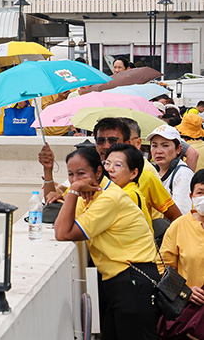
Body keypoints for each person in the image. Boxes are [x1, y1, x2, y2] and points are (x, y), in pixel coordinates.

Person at [54, 145, 159, 340]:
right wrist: (72, 192)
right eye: (70, 174)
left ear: (98, 171)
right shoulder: (92, 196)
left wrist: (73, 189)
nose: (75, 179)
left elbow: (63, 233)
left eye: (81, 173)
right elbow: (61, 224)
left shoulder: (109, 199)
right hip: (119, 282)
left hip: (133, 280)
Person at [40, 117, 182, 224]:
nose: (105, 146)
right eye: (100, 141)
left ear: (127, 144)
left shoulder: (145, 175)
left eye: (113, 141)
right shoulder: (94, 174)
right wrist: (48, 171)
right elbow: (53, 208)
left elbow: (176, 216)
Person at [160, 169, 204, 312]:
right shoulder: (179, 226)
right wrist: (184, 290)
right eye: (200, 192)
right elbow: (163, 266)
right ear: (191, 196)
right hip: (190, 310)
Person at [103, 143, 153, 231]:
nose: (110, 169)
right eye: (107, 163)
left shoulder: (127, 195)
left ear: (133, 173)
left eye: (118, 165)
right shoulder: (115, 191)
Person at [148, 124, 194, 215]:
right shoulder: (153, 172)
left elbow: (182, 214)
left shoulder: (183, 174)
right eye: (154, 146)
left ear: (178, 149)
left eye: (165, 145)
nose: (158, 151)